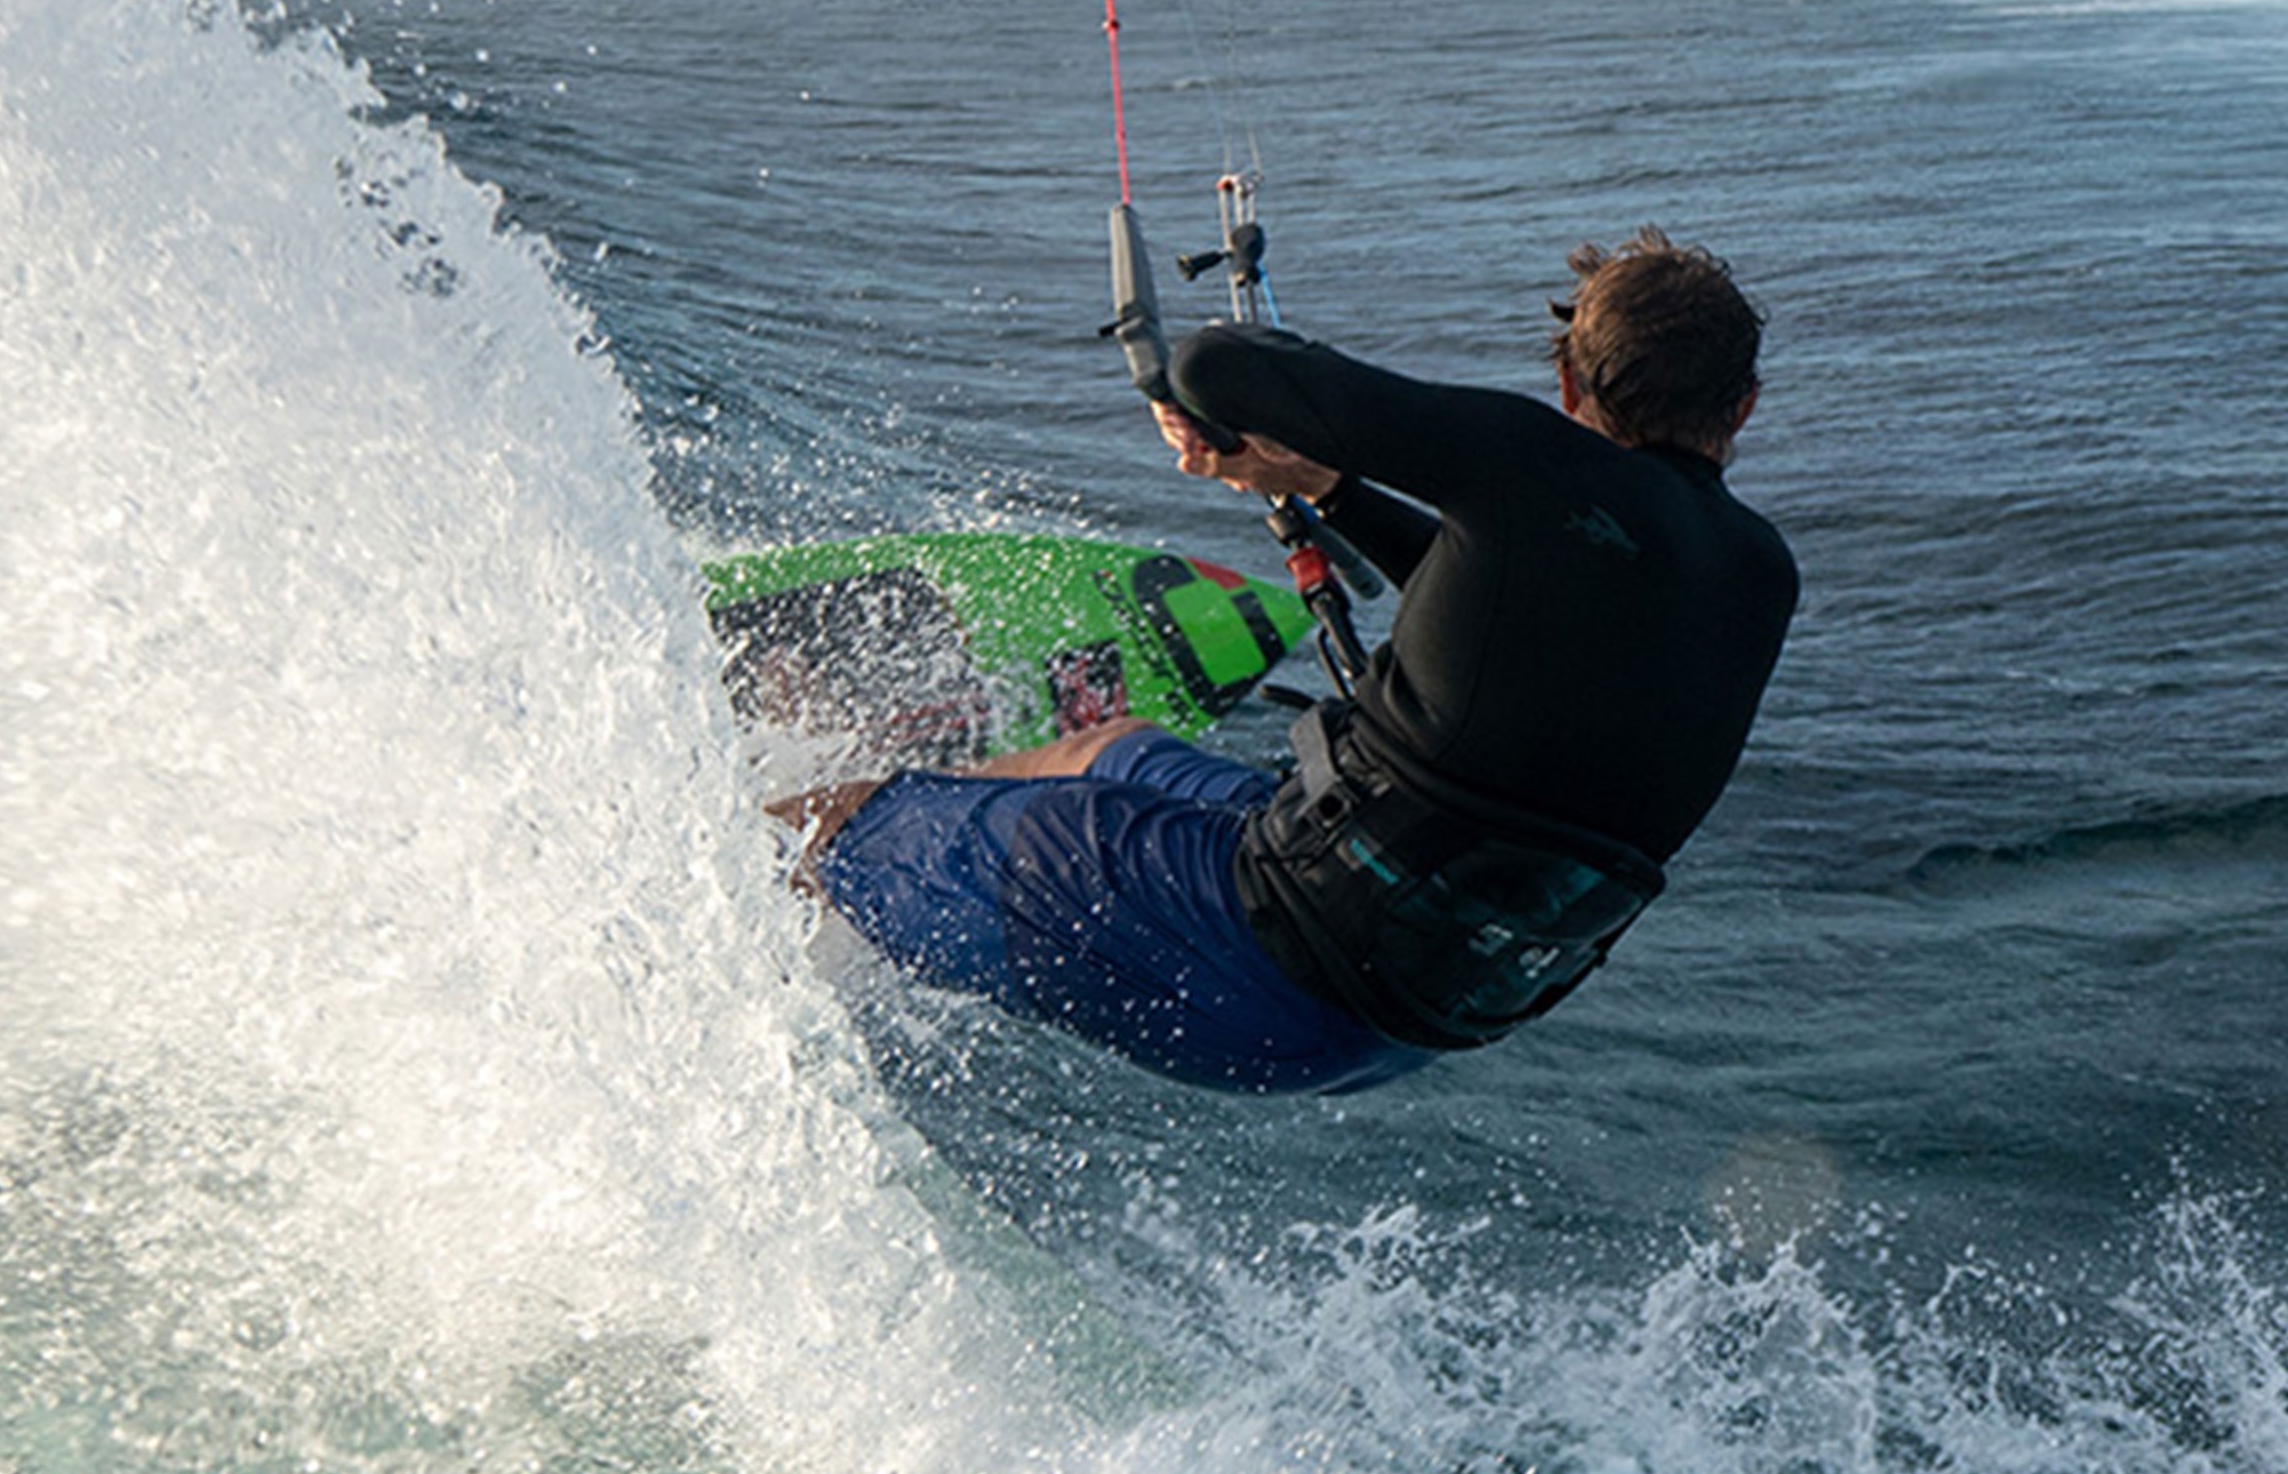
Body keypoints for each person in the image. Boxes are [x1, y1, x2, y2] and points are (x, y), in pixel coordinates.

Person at [769, 228, 1797, 1096]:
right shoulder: (1759, 577)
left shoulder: (1534, 459)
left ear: (1569, 381)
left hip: (1260, 950)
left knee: (829, 820)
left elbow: (1214, 367)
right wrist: (1327, 487)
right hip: (1418, 1015)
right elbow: (1513, 610)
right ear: (1743, 405)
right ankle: (911, 842)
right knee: (1108, 746)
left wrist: (1272, 417)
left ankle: (765, 878)